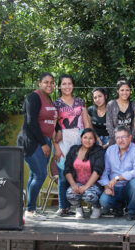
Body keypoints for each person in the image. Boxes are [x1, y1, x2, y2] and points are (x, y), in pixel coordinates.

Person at [17, 72, 57, 220]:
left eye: (52, 82)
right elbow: (31, 122)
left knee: (35, 175)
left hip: (45, 141)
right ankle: (30, 210)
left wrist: (51, 140)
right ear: (39, 83)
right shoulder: (33, 98)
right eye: (46, 82)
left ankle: (30, 209)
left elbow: (50, 121)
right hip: (32, 142)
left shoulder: (49, 98)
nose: (49, 85)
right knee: (40, 175)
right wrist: (42, 144)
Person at [53, 74, 91, 217]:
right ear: (59, 86)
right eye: (64, 84)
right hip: (63, 140)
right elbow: (52, 127)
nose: (67, 86)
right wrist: (56, 146)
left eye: (69, 83)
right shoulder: (56, 104)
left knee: (78, 175)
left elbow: (86, 121)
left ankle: (78, 208)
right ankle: (63, 207)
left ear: (73, 85)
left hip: (79, 139)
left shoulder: (80, 101)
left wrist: (88, 138)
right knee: (63, 175)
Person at [98, 125, 135, 221]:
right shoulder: (110, 150)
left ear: (130, 137)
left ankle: (131, 210)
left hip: (129, 186)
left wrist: (117, 178)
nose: (120, 140)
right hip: (114, 188)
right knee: (104, 201)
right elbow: (105, 171)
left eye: (123, 137)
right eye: (118, 137)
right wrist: (106, 186)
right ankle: (118, 208)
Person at [64, 128, 105, 219]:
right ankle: (78, 209)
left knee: (89, 196)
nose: (87, 140)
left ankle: (97, 207)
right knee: (70, 193)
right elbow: (67, 169)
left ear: (94, 140)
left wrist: (86, 187)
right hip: (77, 182)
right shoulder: (73, 149)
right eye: (85, 137)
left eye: (91, 138)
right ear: (81, 138)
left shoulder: (98, 151)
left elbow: (98, 171)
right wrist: (73, 185)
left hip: (93, 184)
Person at [106, 79, 135, 146]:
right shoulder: (111, 105)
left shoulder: (134, 105)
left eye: (127, 90)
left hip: (131, 141)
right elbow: (109, 126)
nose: (125, 92)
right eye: (122, 90)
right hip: (115, 141)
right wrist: (117, 139)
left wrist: (130, 139)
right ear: (117, 91)